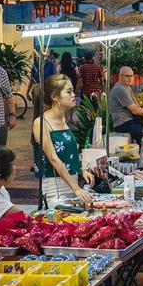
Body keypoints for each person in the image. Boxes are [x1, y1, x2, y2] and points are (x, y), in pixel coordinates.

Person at [32, 75, 93, 208]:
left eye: (73, 91)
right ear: (54, 97)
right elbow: (54, 158)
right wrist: (76, 188)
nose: (73, 95)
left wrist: (81, 170)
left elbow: (68, 153)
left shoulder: (64, 119)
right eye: (69, 91)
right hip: (55, 187)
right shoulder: (41, 123)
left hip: (71, 182)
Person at [109, 66, 143, 144]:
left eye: (131, 76)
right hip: (122, 123)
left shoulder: (128, 88)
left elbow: (137, 106)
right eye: (127, 76)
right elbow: (135, 110)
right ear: (120, 76)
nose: (130, 78)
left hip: (130, 120)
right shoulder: (120, 89)